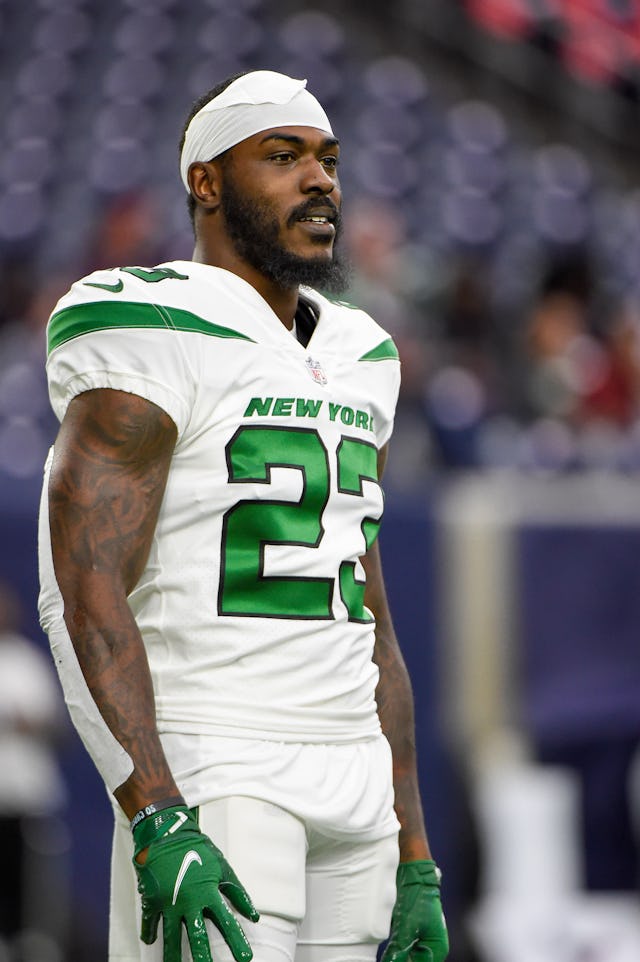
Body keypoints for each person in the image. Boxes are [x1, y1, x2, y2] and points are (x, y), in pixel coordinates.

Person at [38, 70, 449, 962]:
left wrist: (414, 847)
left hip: (354, 775)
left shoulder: (360, 350)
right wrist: (153, 811)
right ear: (206, 182)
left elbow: (369, 615)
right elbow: (81, 584)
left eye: (330, 160)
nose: (321, 180)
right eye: (284, 154)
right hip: (220, 760)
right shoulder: (152, 319)